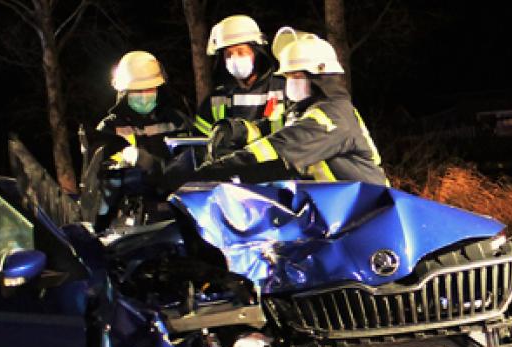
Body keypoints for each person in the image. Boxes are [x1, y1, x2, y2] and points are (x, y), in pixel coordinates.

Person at [175, 35, 387, 188]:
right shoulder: (304, 111)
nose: (289, 83)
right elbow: (271, 129)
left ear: (318, 78)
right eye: (287, 77)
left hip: (368, 212)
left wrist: (215, 171)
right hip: (335, 211)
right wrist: (236, 130)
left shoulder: (332, 117)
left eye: (295, 76)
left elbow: (280, 148)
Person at [92, 50, 192, 228]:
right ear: (125, 91)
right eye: (137, 90)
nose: (144, 95)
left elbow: (191, 165)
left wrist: (152, 164)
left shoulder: (177, 121)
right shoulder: (109, 128)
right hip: (129, 220)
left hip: (176, 213)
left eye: (149, 88)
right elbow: (99, 179)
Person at [194, 15, 287, 149]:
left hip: (276, 167)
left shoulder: (283, 90)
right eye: (228, 54)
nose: (234, 58)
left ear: (257, 52)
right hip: (229, 167)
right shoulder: (215, 99)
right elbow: (199, 144)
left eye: (241, 51)